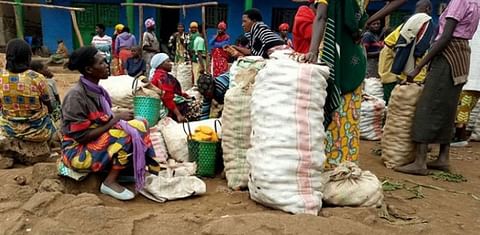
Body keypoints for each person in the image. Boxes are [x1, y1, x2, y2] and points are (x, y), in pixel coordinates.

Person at [62, 46, 159, 200]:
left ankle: (127, 171)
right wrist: (115, 120)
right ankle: (109, 182)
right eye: (101, 63)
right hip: (77, 151)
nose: (107, 65)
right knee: (125, 134)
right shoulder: (76, 97)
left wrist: (118, 119)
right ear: (89, 69)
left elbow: (100, 120)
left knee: (141, 124)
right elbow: (81, 136)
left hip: (94, 141)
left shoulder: (98, 91)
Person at [395, 0, 480, 175]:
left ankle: (420, 162)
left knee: (428, 106)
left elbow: (446, 36)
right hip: (462, 55)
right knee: (447, 108)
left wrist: (419, 67)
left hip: (448, 55)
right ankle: (443, 158)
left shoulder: (459, 1)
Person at [379, 0, 434, 104]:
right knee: (398, 85)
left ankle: (391, 107)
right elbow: (421, 48)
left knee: (393, 83)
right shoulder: (425, 20)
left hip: (391, 50)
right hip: (394, 52)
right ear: (428, 9)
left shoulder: (412, 19)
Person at [0, 39, 55, 143]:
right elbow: (48, 103)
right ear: (28, 56)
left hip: (8, 130)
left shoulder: (1, 77)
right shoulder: (37, 77)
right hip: (39, 130)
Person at [452, 26, 480, 147]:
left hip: (470, 73)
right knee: (465, 106)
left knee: (463, 107)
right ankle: (461, 134)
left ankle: (460, 136)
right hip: (472, 73)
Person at [150, 53, 190, 122]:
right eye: (168, 61)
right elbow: (167, 97)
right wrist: (178, 115)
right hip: (168, 109)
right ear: (161, 64)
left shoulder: (157, 75)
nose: (171, 63)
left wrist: (183, 95)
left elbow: (170, 92)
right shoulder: (163, 77)